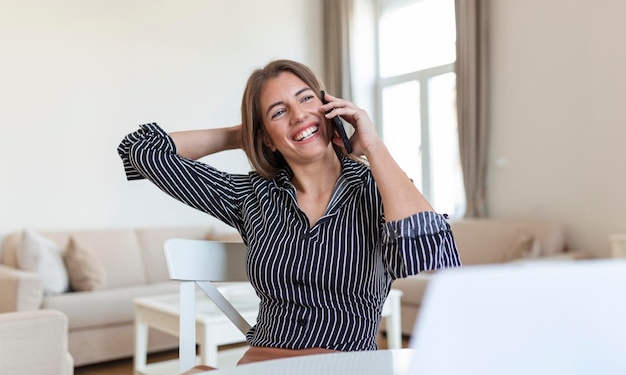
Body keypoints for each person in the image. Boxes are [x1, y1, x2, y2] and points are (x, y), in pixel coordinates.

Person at [118, 59, 461, 367]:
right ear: (266, 138)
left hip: (346, 364)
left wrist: (373, 145)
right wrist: (245, 135)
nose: (298, 115)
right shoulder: (250, 196)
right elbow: (142, 152)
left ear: (330, 107)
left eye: (306, 98)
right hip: (262, 364)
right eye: (278, 112)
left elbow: (433, 258)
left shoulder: (380, 187)